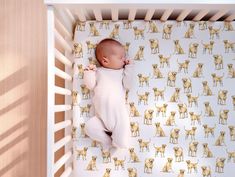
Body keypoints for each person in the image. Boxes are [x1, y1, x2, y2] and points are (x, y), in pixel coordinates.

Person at [83, 38, 135, 155]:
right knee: (89, 127)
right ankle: (106, 140)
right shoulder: (98, 71)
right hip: (100, 118)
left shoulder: (122, 72)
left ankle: (116, 142)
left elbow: (128, 85)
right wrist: (89, 73)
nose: (124, 60)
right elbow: (90, 85)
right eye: (120, 57)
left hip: (119, 116)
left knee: (122, 142)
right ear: (105, 61)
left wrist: (129, 68)